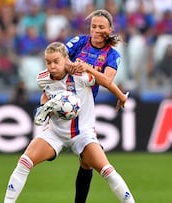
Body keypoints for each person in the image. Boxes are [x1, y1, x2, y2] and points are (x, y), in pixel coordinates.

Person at [3, 42, 135, 203]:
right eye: (48, 62)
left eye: (56, 61)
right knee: (24, 162)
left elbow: (106, 81)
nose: (51, 66)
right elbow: (45, 95)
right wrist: (43, 107)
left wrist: (121, 96)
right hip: (55, 133)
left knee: (107, 170)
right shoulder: (42, 78)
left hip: (83, 134)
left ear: (66, 59)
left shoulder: (81, 76)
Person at [65, 9, 127, 203]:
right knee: (92, 160)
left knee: (86, 163)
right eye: (94, 26)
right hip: (65, 102)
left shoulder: (112, 54)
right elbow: (59, 58)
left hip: (85, 108)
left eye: (101, 27)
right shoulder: (79, 42)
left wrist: (88, 68)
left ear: (109, 29)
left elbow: (107, 80)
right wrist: (71, 66)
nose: (97, 30)